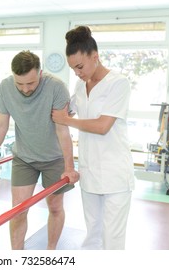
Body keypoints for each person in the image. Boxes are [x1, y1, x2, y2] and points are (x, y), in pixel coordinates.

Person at [0, 50, 79, 250]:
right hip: (24, 158)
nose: (25, 89)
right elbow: (1, 124)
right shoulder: (6, 87)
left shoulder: (56, 87)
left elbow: (62, 129)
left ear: (40, 73)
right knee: (18, 210)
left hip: (53, 158)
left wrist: (69, 167)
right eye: (20, 84)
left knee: (55, 207)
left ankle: (50, 252)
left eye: (30, 83)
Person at [51, 26, 135, 250]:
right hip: (89, 172)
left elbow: (102, 126)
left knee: (112, 239)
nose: (77, 72)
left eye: (80, 66)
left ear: (95, 56)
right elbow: (65, 112)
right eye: (73, 69)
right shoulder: (80, 85)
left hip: (115, 174)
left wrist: (66, 120)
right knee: (92, 235)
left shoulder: (118, 83)